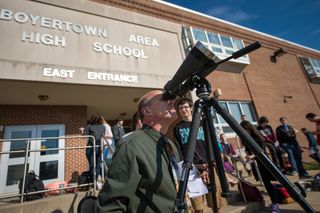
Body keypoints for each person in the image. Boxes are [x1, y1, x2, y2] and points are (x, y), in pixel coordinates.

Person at [97, 90, 180, 212]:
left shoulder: (170, 144)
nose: (171, 101)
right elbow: (111, 206)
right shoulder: (131, 145)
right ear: (147, 111)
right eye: (164, 98)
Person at [173, 98, 227, 213]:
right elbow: (180, 151)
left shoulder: (203, 123)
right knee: (197, 206)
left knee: (216, 202)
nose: (183, 110)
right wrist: (195, 166)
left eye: (186, 107)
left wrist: (211, 163)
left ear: (191, 108)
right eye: (181, 108)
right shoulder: (177, 128)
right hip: (191, 170)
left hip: (209, 166)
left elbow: (211, 144)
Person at [240, 120, 280, 213]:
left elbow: (261, 150)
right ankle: (275, 202)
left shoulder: (258, 137)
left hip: (264, 162)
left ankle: (276, 204)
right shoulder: (246, 138)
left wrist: (252, 155)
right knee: (266, 183)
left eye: (243, 129)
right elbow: (247, 149)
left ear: (248, 128)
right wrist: (247, 155)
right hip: (257, 163)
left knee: (269, 182)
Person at [82, 112, 109, 181]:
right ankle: (95, 182)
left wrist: (82, 130)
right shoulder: (103, 127)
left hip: (91, 148)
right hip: (100, 148)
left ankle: (93, 182)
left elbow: (84, 135)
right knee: (97, 166)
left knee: (92, 166)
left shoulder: (89, 126)